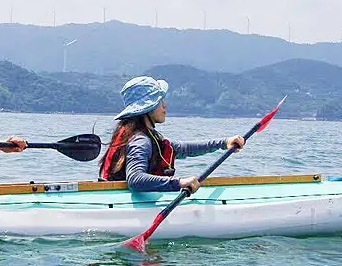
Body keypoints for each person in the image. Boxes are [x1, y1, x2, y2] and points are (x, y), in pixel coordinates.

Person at [98, 76, 244, 194]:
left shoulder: (145, 135)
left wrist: (224, 142)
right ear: (147, 108)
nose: (165, 105)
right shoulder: (140, 140)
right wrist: (179, 183)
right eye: (160, 101)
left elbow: (182, 148)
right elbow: (135, 180)